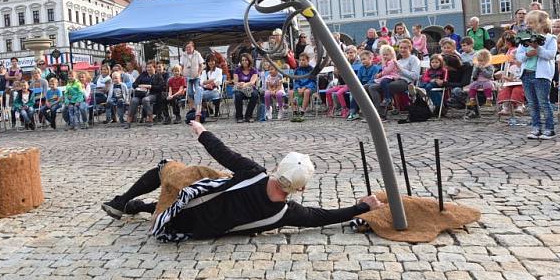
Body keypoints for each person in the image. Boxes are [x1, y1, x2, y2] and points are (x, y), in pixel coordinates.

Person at [101, 120, 383, 241]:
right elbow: (322, 217)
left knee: (169, 167)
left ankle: (122, 202)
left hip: (175, 211)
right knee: (212, 193)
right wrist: (360, 207)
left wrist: (201, 131)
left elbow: (223, 152)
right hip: (188, 228)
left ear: (276, 167)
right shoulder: (285, 214)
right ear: (302, 188)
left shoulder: (254, 172)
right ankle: (139, 207)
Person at [516, 10, 557, 140]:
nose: (528, 25)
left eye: (531, 22)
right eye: (527, 22)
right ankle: (536, 128)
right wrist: (527, 54)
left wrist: (537, 48)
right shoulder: (525, 37)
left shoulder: (550, 38)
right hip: (527, 74)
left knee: (544, 102)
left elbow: (550, 55)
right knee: (532, 104)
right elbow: (519, 56)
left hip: (541, 76)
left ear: (541, 23)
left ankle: (549, 128)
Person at [367, 39, 420, 120]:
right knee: (372, 87)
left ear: (410, 48)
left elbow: (415, 76)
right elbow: (390, 72)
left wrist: (401, 70)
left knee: (388, 86)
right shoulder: (398, 60)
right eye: (401, 48)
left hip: (406, 82)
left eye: (405, 48)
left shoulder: (413, 59)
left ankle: (384, 110)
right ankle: (378, 113)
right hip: (393, 80)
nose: (402, 50)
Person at [494, 33, 525, 117]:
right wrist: (504, 76)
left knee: (517, 90)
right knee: (505, 90)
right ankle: (505, 107)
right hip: (511, 82)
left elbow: (521, 77)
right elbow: (510, 78)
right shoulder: (511, 68)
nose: (513, 60)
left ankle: (520, 106)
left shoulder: (523, 66)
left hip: (520, 83)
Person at [346, 51, 380, 121]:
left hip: (370, 85)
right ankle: (353, 112)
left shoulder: (375, 68)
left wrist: (364, 86)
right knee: (355, 92)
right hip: (362, 85)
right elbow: (358, 79)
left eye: (364, 59)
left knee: (362, 91)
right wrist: (358, 86)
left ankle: (366, 113)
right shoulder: (361, 68)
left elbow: (373, 79)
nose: (362, 61)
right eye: (361, 60)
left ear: (370, 59)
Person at [127, 62, 160, 128]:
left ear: (154, 68)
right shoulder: (143, 75)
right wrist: (140, 86)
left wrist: (149, 86)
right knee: (134, 100)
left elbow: (160, 87)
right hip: (141, 94)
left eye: (150, 67)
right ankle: (129, 121)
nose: (148, 69)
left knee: (145, 100)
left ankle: (150, 119)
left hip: (153, 94)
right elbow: (134, 84)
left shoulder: (158, 76)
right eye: (147, 67)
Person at [464, 50, 495, 119]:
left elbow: (489, 76)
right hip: (478, 81)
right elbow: (474, 77)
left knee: (487, 85)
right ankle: (472, 100)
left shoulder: (490, 67)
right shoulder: (477, 66)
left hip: (487, 81)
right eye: (479, 61)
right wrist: (476, 70)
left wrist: (483, 69)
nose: (480, 62)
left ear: (487, 60)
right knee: (472, 85)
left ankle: (489, 99)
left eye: (482, 61)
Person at [233, 53, 259, 123]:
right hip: (240, 89)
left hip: (250, 88)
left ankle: (248, 115)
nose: (244, 61)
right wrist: (239, 84)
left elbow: (253, 82)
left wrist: (245, 84)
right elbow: (235, 82)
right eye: (242, 60)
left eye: (246, 60)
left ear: (249, 60)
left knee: (255, 95)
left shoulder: (254, 70)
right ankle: (239, 116)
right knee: (237, 95)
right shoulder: (237, 70)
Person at [195, 55, 223, 119]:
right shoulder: (204, 72)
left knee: (198, 95)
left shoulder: (218, 70)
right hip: (206, 90)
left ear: (215, 61)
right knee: (198, 92)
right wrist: (209, 82)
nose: (211, 63)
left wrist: (209, 83)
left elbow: (219, 81)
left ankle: (198, 112)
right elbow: (201, 82)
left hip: (215, 90)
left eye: (212, 61)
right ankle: (208, 109)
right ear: (207, 62)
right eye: (209, 61)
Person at [180, 41, 204, 112]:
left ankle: (198, 107)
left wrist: (198, 73)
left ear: (193, 47)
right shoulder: (183, 55)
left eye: (189, 47)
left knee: (197, 91)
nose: (188, 48)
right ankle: (193, 107)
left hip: (196, 76)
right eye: (186, 47)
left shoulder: (197, 54)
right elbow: (181, 66)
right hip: (187, 76)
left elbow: (201, 65)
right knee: (190, 93)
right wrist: (182, 74)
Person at [290, 52, 316, 117]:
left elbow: (312, 81)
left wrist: (304, 88)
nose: (301, 61)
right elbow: (296, 81)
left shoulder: (311, 69)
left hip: (309, 87)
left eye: (303, 60)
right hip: (299, 87)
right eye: (300, 60)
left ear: (308, 60)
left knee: (306, 92)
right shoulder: (297, 70)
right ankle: (294, 111)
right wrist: (298, 88)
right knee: (290, 92)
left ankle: (302, 111)